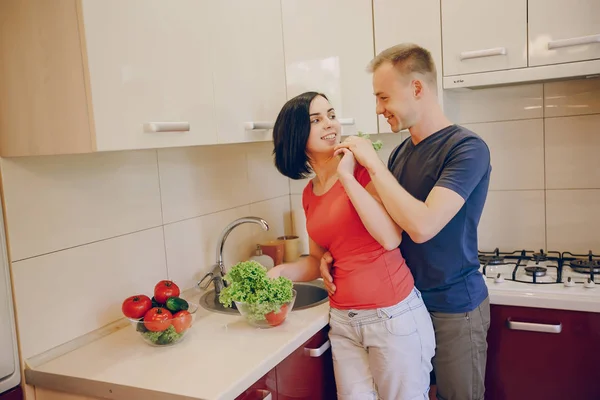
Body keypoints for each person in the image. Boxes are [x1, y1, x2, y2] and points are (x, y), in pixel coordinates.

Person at [323, 43, 492, 400]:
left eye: (383, 97)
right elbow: (378, 226)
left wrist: (372, 165)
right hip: (404, 307)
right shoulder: (402, 152)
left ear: (416, 88)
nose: (379, 109)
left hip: (454, 309)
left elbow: (423, 224)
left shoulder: (467, 148)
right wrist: (331, 253)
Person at [268, 91, 435, 400]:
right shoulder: (310, 193)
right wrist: (279, 272)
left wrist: (346, 176)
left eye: (331, 115)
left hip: (392, 317)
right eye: (316, 120)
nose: (330, 124)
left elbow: (390, 237)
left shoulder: (362, 171)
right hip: (344, 321)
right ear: (296, 135)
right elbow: (316, 260)